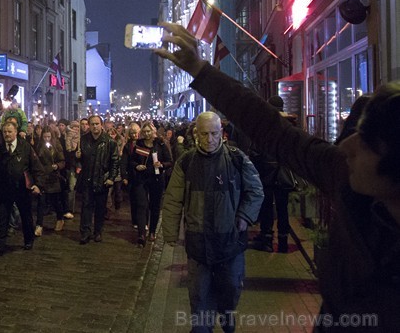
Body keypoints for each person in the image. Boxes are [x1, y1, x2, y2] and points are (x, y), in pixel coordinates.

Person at [155, 21, 400, 331]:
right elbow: (274, 131)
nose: (348, 145)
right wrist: (201, 71)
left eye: (365, 142)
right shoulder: (346, 175)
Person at [161, 110, 263, 333]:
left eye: (214, 133)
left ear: (222, 133)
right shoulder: (186, 162)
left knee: (231, 288)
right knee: (199, 296)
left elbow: (255, 190)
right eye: (205, 134)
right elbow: (173, 198)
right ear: (196, 134)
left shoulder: (236, 159)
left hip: (230, 242)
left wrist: (245, 216)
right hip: (198, 244)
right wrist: (170, 233)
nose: (209, 139)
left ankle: (227, 316)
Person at [0, 121, 42, 257]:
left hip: (22, 189)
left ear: (15, 132)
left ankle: (28, 240)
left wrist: (38, 184)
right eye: (5, 132)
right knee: (2, 218)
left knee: (26, 216)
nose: (7, 134)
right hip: (4, 190)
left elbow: (36, 167)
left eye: (9, 131)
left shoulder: (25, 147)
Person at [251, 95, 297, 253]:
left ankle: (267, 240)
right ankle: (283, 242)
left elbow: (256, 151)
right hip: (284, 174)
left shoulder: (264, 126)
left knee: (267, 208)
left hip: (267, 174)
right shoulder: (290, 125)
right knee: (283, 209)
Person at [125, 121, 172, 247]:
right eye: (144, 132)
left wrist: (162, 165)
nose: (146, 134)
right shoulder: (139, 144)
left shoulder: (160, 144)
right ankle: (141, 234)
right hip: (141, 179)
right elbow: (132, 161)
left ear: (153, 131)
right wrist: (136, 166)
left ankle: (152, 230)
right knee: (141, 205)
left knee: (155, 206)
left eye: (148, 131)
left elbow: (169, 161)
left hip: (156, 179)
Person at [76, 115, 120, 244]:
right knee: (86, 206)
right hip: (87, 179)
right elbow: (78, 161)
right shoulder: (83, 140)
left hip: (102, 179)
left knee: (100, 208)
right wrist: (77, 156)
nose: (95, 126)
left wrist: (111, 178)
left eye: (97, 124)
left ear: (101, 125)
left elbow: (115, 161)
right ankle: (85, 232)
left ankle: (98, 231)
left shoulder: (109, 142)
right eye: (92, 124)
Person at [34, 128, 67, 234]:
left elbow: (62, 161)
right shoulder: (39, 146)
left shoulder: (56, 145)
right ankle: (39, 225)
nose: (46, 139)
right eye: (45, 137)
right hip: (43, 177)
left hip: (53, 177)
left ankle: (60, 218)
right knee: (41, 202)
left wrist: (57, 165)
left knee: (55, 201)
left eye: (48, 137)